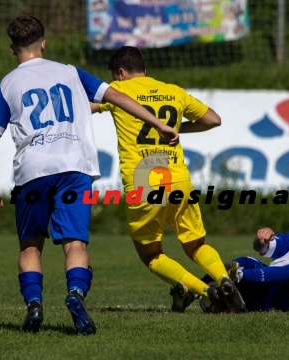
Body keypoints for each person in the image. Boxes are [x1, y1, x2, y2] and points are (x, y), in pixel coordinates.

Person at [0, 17, 179, 335]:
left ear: (12, 49)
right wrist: (157, 123)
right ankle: (75, 294)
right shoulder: (71, 72)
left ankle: (34, 304)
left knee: (30, 245)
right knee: (75, 242)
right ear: (43, 43)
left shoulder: (7, 85)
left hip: (33, 170)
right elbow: (117, 96)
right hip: (75, 167)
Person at [90, 46, 246, 313]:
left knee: (150, 254)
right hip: (178, 176)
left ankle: (206, 290)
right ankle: (223, 278)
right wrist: (175, 128)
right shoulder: (173, 91)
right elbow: (213, 119)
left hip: (144, 179)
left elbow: (85, 108)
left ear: (121, 72)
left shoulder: (118, 91)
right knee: (196, 244)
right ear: (145, 69)